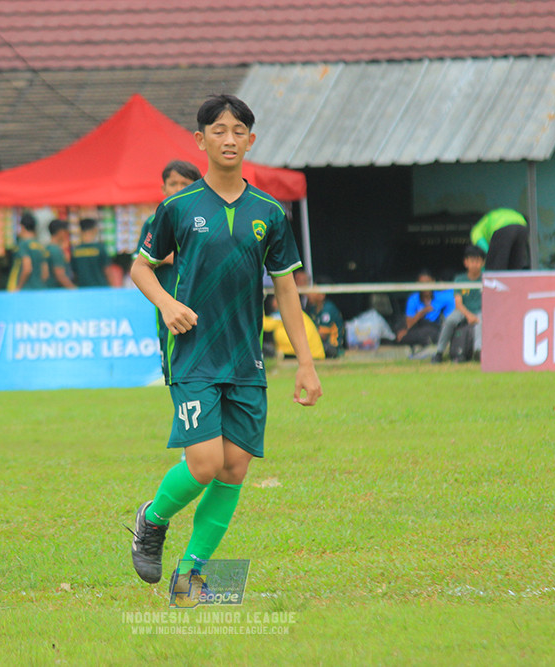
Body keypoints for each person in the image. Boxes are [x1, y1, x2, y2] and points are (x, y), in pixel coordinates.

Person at [129, 94, 322, 600]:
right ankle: (152, 519)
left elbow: (286, 290)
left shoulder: (270, 213)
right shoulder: (177, 207)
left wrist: (305, 363)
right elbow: (140, 268)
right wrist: (167, 304)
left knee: (234, 468)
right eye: (219, 130)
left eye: (239, 131)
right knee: (204, 464)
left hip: (246, 359)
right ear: (201, 140)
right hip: (194, 354)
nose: (229, 139)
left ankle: (190, 577)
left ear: (250, 141)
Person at [134, 160, 201, 368]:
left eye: (185, 184)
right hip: (168, 299)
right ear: (164, 189)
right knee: (172, 356)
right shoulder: (154, 221)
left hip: (201, 299)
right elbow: (140, 261)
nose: (178, 189)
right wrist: (169, 257)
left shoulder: (206, 220)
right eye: (173, 184)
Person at [432, 245, 485, 363]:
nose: (475, 264)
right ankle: (439, 352)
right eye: (472, 261)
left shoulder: (486, 278)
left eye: (478, 261)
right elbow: (458, 303)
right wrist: (469, 315)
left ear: (483, 263)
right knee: (449, 320)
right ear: (466, 263)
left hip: (481, 311)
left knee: (481, 322)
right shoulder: (460, 279)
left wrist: (476, 316)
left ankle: (478, 351)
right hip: (462, 311)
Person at [395, 269, 455, 350]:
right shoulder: (413, 299)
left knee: (430, 332)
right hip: (417, 326)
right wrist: (423, 311)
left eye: (428, 282)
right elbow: (409, 323)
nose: (425, 286)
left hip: (434, 327)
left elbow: (456, 293)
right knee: (401, 327)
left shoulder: (442, 296)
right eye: (422, 283)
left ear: (433, 282)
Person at [304, 278, 345, 358]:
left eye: (313, 290)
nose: (309, 293)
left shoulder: (328, 309)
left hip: (332, 346)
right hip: (319, 344)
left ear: (322, 295)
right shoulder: (312, 309)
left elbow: (323, 335)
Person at [8, 213, 47, 291]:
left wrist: (18, 287)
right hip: (39, 289)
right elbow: (45, 274)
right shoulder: (40, 246)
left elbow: (27, 268)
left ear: (22, 227)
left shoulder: (23, 244)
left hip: (25, 290)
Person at [70, 218, 113, 287]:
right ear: (94, 230)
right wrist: (112, 287)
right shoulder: (100, 248)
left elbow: (74, 272)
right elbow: (107, 270)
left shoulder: (76, 251)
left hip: (83, 289)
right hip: (101, 288)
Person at [44, 219, 76, 289]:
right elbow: (60, 274)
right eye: (65, 231)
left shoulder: (47, 249)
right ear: (61, 232)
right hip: (57, 291)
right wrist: (73, 289)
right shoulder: (56, 251)